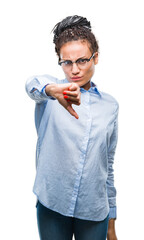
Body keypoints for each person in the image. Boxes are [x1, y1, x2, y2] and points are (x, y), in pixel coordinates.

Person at [25, 15, 119, 240]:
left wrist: (112, 221)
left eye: (82, 60)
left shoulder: (110, 106)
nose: (74, 69)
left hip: (94, 210)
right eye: (67, 62)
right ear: (59, 61)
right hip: (52, 204)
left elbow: (107, 164)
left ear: (95, 58)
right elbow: (31, 85)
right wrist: (51, 90)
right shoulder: (50, 93)